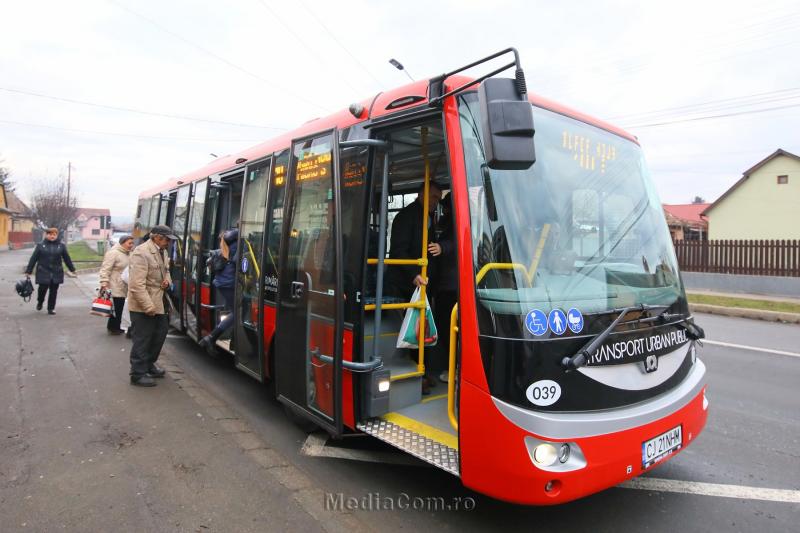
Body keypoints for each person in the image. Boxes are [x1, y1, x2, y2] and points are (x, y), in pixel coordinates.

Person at [387, 182, 443, 394]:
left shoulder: (429, 217)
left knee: (423, 330)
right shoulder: (405, 217)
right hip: (406, 284)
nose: (436, 202)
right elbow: (398, 251)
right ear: (421, 194)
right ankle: (416, 375)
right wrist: (414, 275)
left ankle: (423, 372)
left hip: (424, 284)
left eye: (438, 198)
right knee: (413, 330)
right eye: (433, 197)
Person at [127, 225, 176, 387]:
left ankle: (149, 364)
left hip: (159, 301)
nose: (168, 243)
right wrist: (148, 307)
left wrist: (167, 281)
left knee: (159, 334)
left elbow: (166, 270)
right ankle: (137, 373)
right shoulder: (141, 252)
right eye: (166, 239)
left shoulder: (163, 251)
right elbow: (136, 285)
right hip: (143, 305)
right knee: (143, 338)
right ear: (156, 237)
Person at [430, 193, 457, 384]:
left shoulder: (453, 223)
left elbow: (455, 242)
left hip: (449, 287)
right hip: (448, 286)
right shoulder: (446, 222)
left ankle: (451, 369)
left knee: (447, 332)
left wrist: (441, 247)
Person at [199, 228, 238, 353]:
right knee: (237, 313)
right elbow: (239, 262)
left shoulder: (226, 243)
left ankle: (233, 341)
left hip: (223, 282)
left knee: (235, 310)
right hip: (228, 282)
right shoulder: (237, 244)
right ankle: (211, 338)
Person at [24, 227, 77, 315]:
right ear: (46, 235)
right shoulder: (40, 245)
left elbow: (67, 258)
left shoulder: (61, 246)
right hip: (43, 271)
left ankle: (51, 308)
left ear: (56, 235)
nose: (52, 236)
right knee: (42, 289)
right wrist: (28, 271)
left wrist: (72, 269)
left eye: (54, 234)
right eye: (50, 234)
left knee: (53, 291)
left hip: (56, 271)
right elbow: (33, 258)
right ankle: (40, 301)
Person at [98, 234, 134, 334]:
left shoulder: (128, 254)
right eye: (129, 243)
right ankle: (114, 327)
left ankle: (114, 326)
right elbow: (105, 268)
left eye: (132, 243)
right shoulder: (113, 253)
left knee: (119, 306)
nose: (131, 245)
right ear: (122, 243)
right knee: (116, 306)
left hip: (123, 284)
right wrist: (104, 282)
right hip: (114, 283)